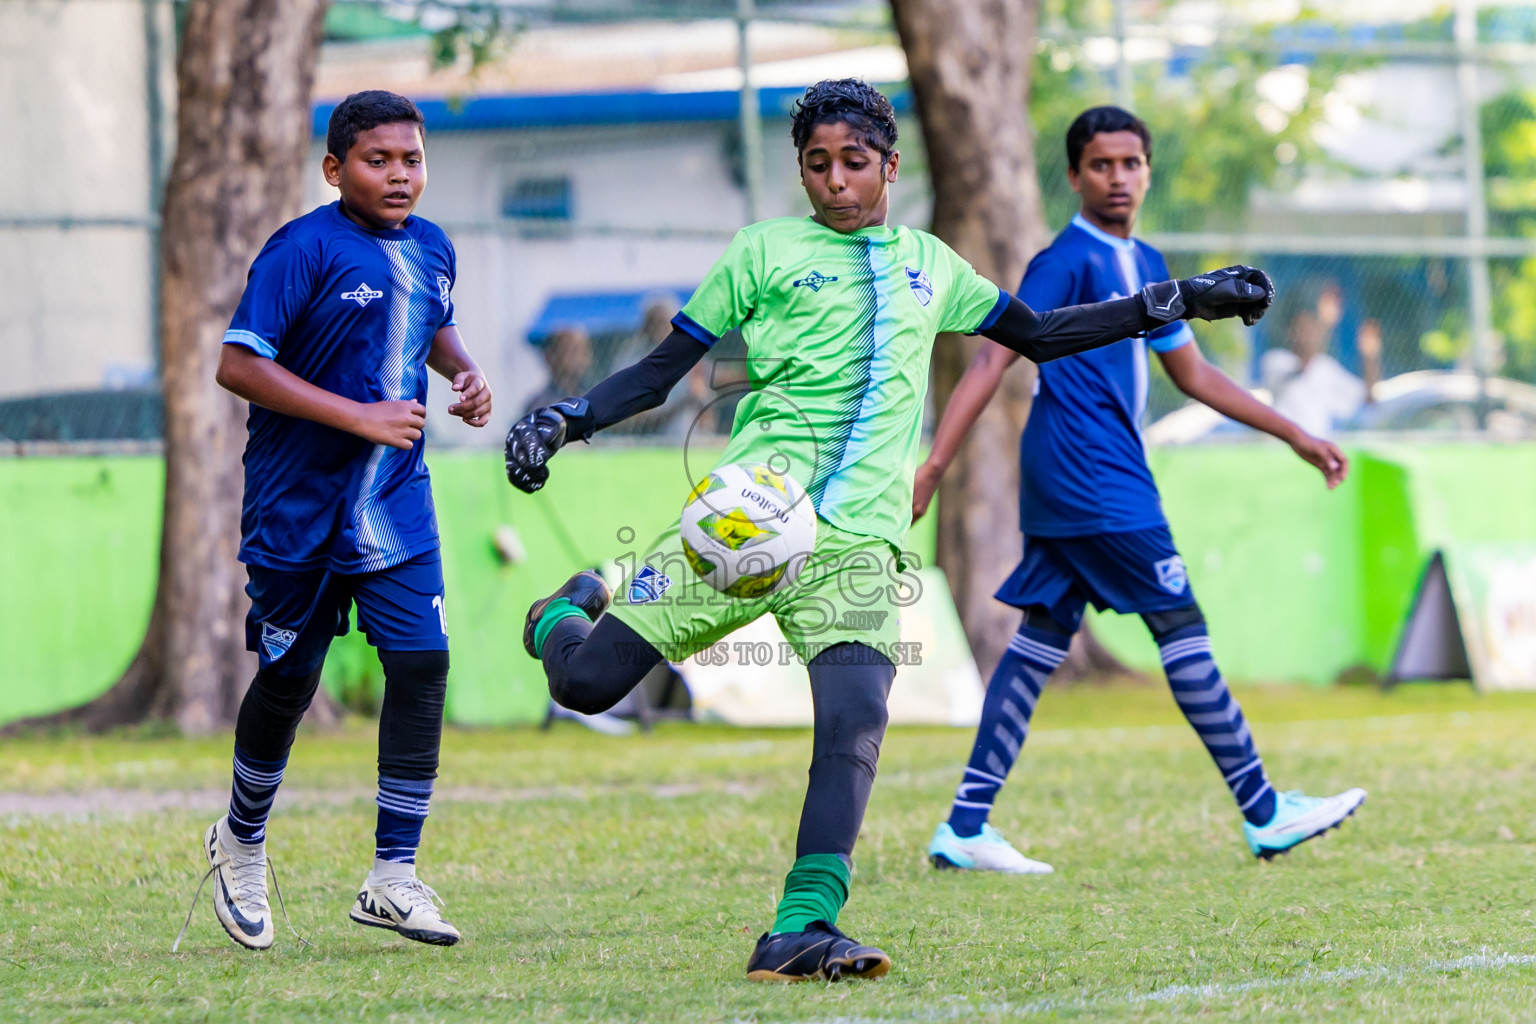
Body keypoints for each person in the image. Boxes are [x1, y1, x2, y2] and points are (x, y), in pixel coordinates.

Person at [504, 81, 1272, 981]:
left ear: (889, 167)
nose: (834, 183)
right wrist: (568, 417)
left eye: (854, 164)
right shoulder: (761, 252)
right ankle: (564, 612)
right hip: (747, 521)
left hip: (859, 550)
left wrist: (1177, 299)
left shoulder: (932, 264)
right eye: (817, 166)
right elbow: (663, 371)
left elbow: (1046, 334)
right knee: (589, 684)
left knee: (858, 719)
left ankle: (800, 927)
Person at [915, 106, 1366, 877]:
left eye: (1131, 164)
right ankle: (1263, 811)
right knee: (1177, 618)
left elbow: (1194, 375)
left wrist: (1294, 432)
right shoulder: (1065, 258)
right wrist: (935, 462)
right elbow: (992, 360)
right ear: (1074, 176)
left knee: (1037, 644)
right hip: (1092, 476)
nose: (1118, 178)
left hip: (1080, 478)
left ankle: (965, 824)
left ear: (1149, 170)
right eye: (1101, 165)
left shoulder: (1150, 261)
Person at [192, 90, 492, 951]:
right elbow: (238, 365)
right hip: (299, 509)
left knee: (424, 660)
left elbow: (432, 324)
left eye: (412, 160)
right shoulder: (301, 249)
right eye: (378, 160)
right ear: (335, 169)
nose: (399, 175)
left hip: (396, 503)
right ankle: (240, 841)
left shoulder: (434, 247)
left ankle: (392, 877)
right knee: (290, 680)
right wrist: (360, 416)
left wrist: (465, 373)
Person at [1261, 281, 1380, 437]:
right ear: (1291, 331)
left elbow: (1367, 398)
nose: (1307, 333)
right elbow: (1304, 367)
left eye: (1311, 327)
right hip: (1282, 446)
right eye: (1302, 327)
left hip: (1315, 446)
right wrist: (1326, 324)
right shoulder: (1276, 360)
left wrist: (1370, 358)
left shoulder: (1326, 367)